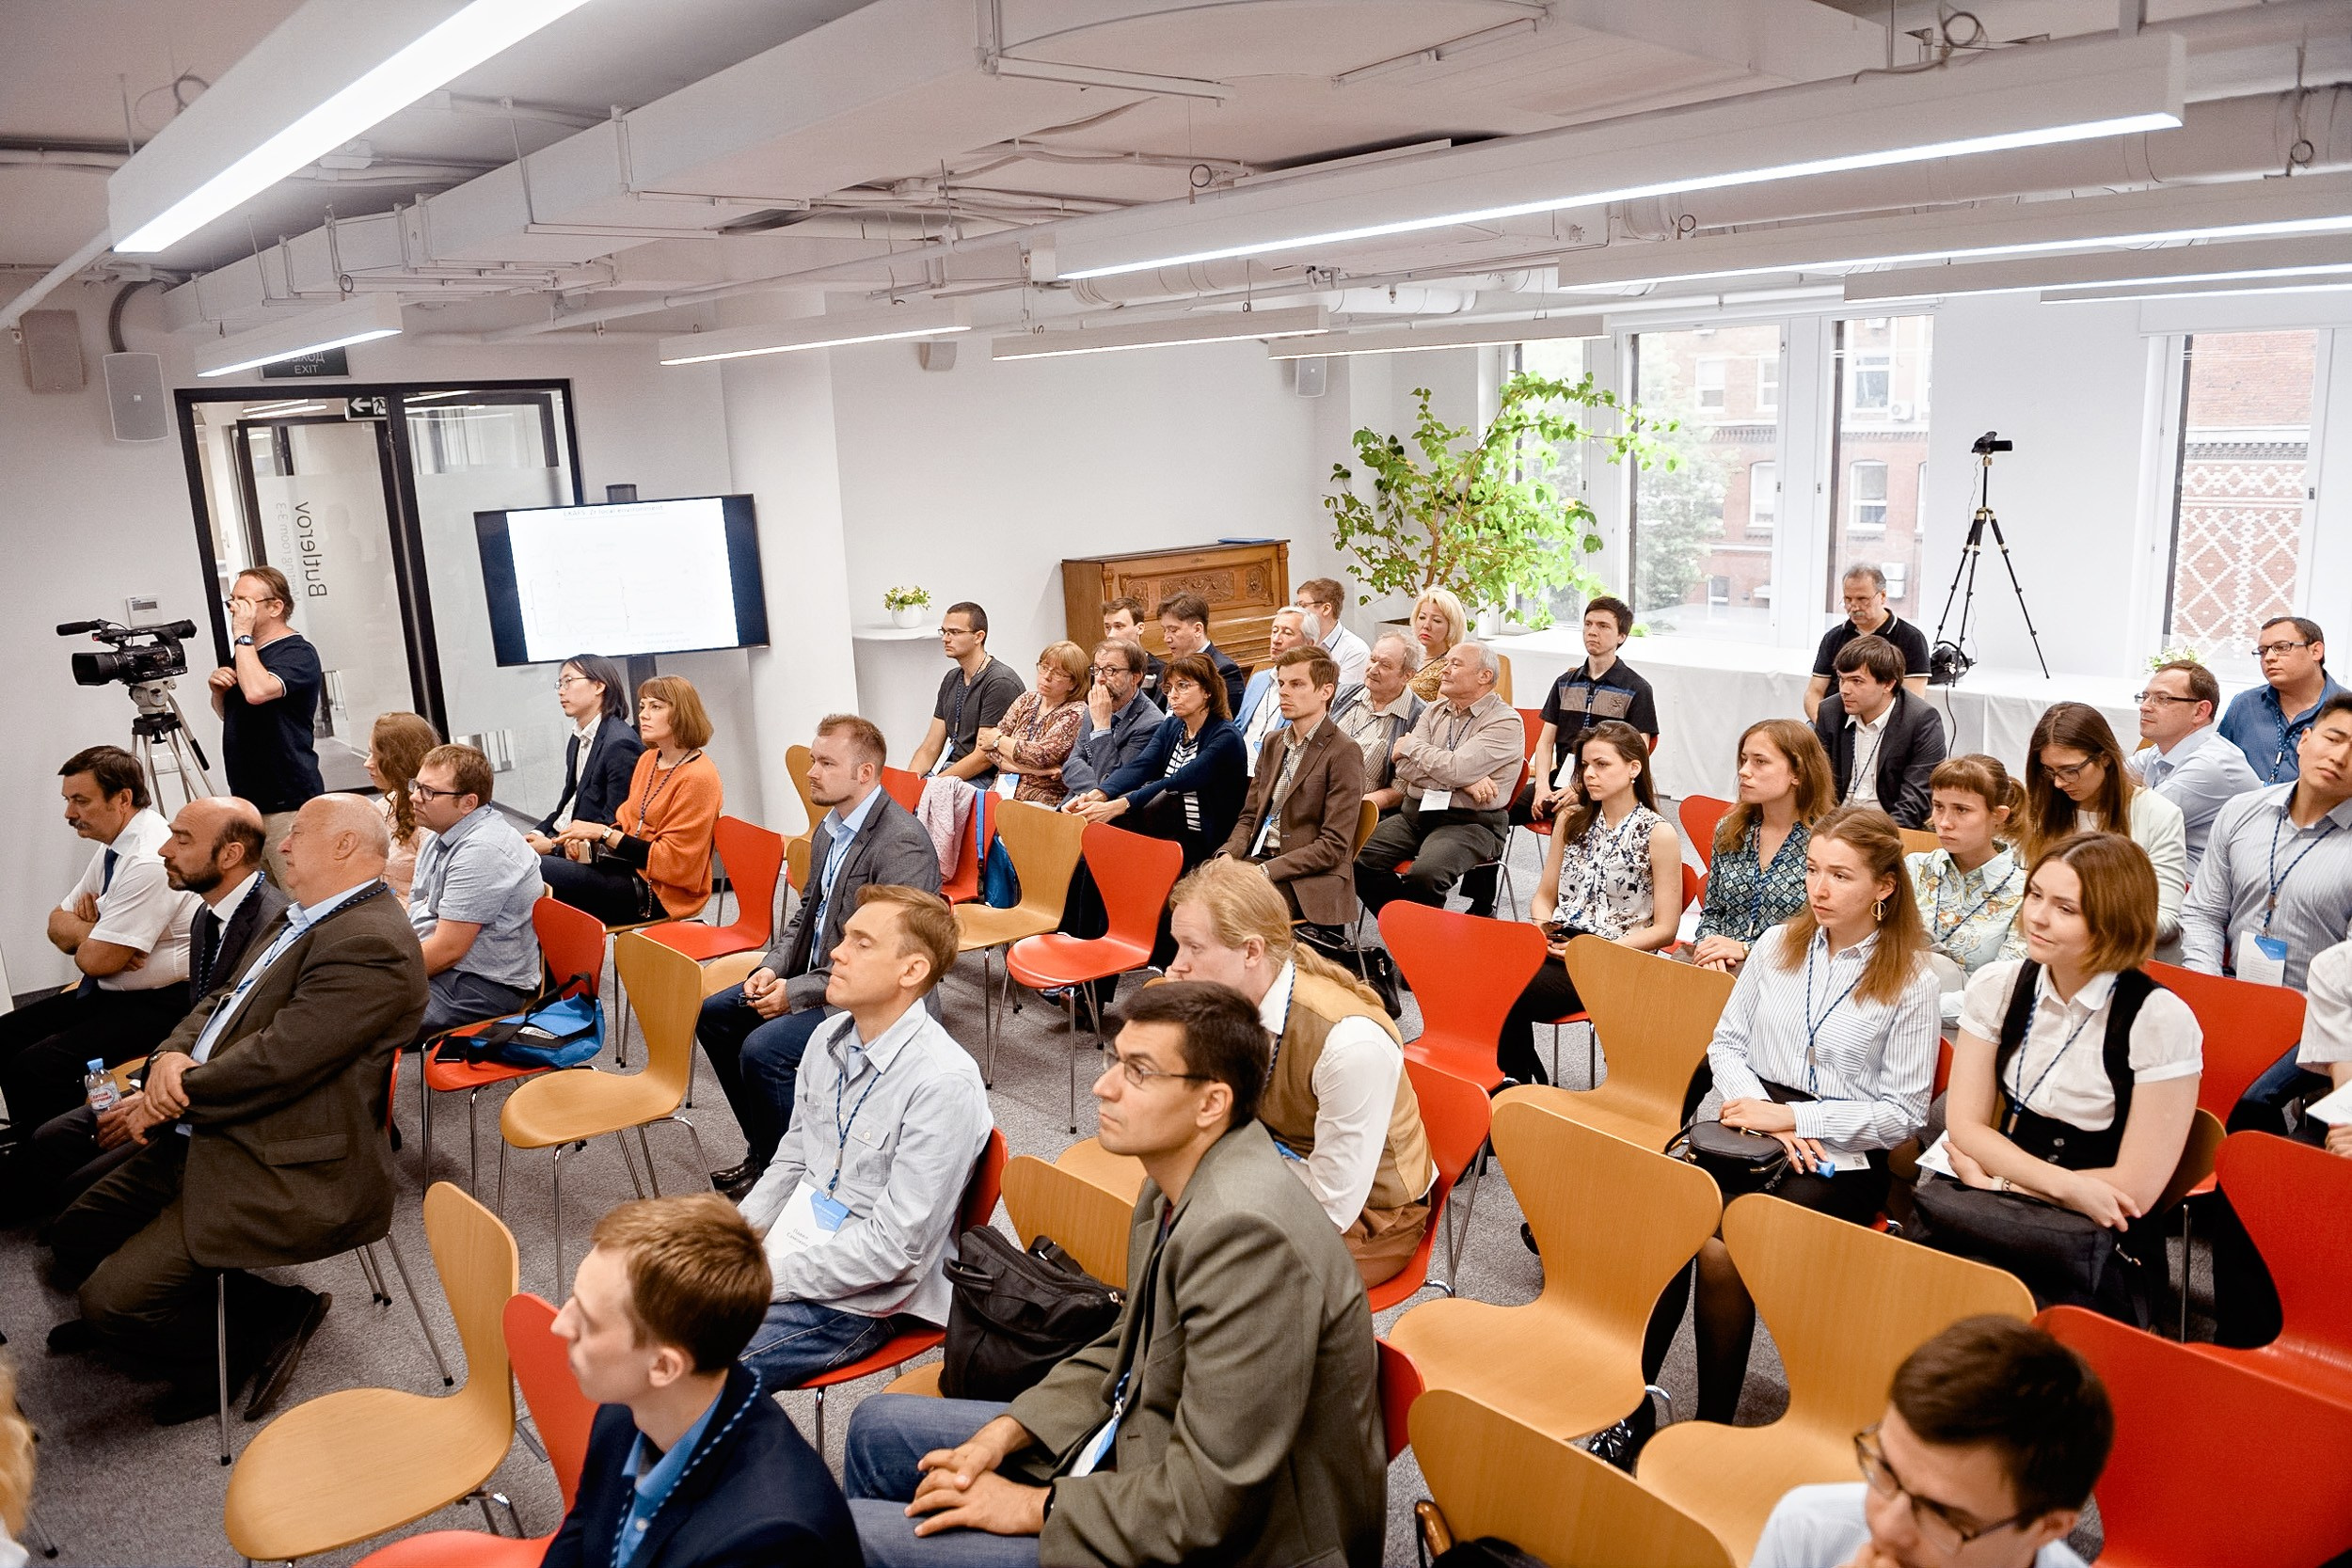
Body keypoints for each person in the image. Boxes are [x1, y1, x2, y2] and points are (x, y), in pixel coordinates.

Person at [840, 982, 1384, 1568]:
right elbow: (1131, 1350)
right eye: (1115, 1061)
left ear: (1211, 1104)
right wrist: (1011, 1429)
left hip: (1230, 1537)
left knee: (852, 1535)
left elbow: (1208, 1501)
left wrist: (1031, 1506)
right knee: (876, 1427)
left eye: (1139, 1072)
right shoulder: (1173, 1181)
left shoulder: (1250, 1239)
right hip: (1143, 1443)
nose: (1104, 1086)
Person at [48, 794, 426, 1426]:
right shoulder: (306, 914)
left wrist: (168, 1098)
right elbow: (220, 998)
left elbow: (279, 1061)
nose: (283, 844)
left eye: (298, 833)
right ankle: (257, 1306)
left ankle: (235, 1349)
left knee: (108, 1303)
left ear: (343, 846)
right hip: (218, 1119)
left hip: (284, 1155)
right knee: (73, 1234)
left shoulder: (372, 943)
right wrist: (167, 1061)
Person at [1647, 807, 1937, 1439]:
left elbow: (1903, 1113)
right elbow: (1726, 1045)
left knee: (1722, 1245)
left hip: (1843, 1150)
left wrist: (1795, 1117)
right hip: (1752, 1120)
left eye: (1841, 875)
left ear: (1885, 886)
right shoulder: (1779, 943)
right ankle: (1634, 1402)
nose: (1819, 888)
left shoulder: (1911, 978)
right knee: (1671, 1208)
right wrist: (1769, 1119)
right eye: (1812, 869)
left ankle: (1711, 1428)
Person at [1912, 833, 2201, 1322]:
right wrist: (2028, 1187)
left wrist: (1996, 1180)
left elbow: (2130, 1192)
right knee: (1909, 1290)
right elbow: (1965, 1127)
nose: (2037, 917)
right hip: (1995, 1206)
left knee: (1990, 1320)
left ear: (2113, 921)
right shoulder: (1999, 986)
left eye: (2065, 908)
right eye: (2035, 895)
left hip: (2096, 1242)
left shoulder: (2159, 1020)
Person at [737, 886, 991, 1386]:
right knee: (650, 1307)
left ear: (911, 971)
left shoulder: (942, 1083)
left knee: (680, 1367)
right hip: (802, 1250)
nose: (836, 951)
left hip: (867, 1295)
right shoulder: (826, 1038)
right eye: (845, 937)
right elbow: (793, 1160)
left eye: (862, 942)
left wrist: (765, 1279)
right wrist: (730, 1241)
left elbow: (894, 1250)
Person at [544, 1195, 863, 1568]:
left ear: (664, 1367)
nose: (559, 1325)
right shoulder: (629, 1404)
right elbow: (585, 1527)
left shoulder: (770, 1541)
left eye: (588, 1320)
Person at [700, 715, 939, 1199]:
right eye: (814, 760)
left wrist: (797, 992)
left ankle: (794, 1183)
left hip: (873, 998)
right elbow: (806, 914)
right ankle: (769, 1157)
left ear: (864, 773)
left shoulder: (901, 842)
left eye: (826, 763)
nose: (811, 772)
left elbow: (887, 957)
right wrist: (771, 967)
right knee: (716, 1016)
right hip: (825, 977)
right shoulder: (831, 829)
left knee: (763, 1051)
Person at [1164, 859, 1434, 1285]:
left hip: (1372, 1216)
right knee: (1152, 1215)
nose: (1176, 966)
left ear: (1251, 952)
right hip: (1275, 1166)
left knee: (1211, 1274)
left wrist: (1229, 1169)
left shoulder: (1350, 1044)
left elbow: (1332, 1209)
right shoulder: (1228, 998)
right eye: (1177, 945)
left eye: (1193, 948)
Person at [29, 798, 287, 1214]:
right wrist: (148, 1084)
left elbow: (245, 1051)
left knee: (72, 1204)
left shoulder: (270, 929)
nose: (164, 850)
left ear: (229, 855)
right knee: (52, 1142)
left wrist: (155, 1100)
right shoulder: (209, 915)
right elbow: (202, 1021)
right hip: (179, 1074)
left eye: (181, 840)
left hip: (211, 1100)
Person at [1750, 1316, 2111, 1568]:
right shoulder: (1807, 1527)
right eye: (1886, 1470)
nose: (1888, 1529)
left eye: (1942, 1515)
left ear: (2049, 1527)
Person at [1, 747, 197, 1140]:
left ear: (122, 798)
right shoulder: (116, 842)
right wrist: (91, 933)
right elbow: (57, 923)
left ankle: (65, 1153)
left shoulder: (146, 858)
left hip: (163, 1002)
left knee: (38, 1066)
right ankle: (32, 1144)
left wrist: (95, 936)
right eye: (68, 800)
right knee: (6, 1035)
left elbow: (97, 962)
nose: (69, 813)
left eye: (81, 801)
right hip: (113, 991)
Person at [1496, 721, 1684, 1085]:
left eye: (1602, 764)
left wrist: (1595, 950)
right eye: (1584, 765)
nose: (1589, 774)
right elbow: (1545, 896)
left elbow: (1665, 929)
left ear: (1634, 768)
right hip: (1561, 941)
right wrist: (1543, 928)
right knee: (1484, 971)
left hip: (1617, 955)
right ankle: (1515, 1081)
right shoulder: (1571, 819)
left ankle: (1514, 1083)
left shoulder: (1657, 833)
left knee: (1507, 989)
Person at [1354, 640, 1521, 915]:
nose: (1444, 670)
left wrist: (1411, 746)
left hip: (1468, 822)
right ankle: (1409, 928)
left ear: (1484, 676)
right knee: (1356, 858)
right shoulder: (1434, 710)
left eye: (1455, 664)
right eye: (1446, 662)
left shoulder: (1505, 722)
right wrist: (1465, 781)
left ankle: (1417, 934)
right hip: (1415, 814)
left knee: (1425, 875)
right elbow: (1403, 768)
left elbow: (1455, 768)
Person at [542, 676, 723, 927]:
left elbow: (673, 864)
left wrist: (603, 833)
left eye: (656, 707)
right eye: (642, 706)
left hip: (657, 892)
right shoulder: (649, 759)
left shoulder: (698, 777)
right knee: (534, 880)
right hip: (624, 868)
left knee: (536, 870)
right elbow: (627, 824)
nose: (644, 715)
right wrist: (586, 840)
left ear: (682, 714)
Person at [1220, 645, 1365, 934]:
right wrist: (1228, 854)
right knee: (1191, 893)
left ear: (1325, 691)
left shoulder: (1344, 751)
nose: (1284, 692)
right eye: (1282, 683)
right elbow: (1249, 817)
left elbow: (1333, 846)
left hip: (1310, 878)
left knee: (1231, 910)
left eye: (1297, 684)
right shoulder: (1274, 742)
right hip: (1261, 860)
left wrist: (1264, 872)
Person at [406, 743, 545, 1037]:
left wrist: (379, 978)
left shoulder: (483, 850)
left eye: (428, 791)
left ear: (468, 803)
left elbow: (447, 951)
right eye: (416, 786)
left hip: (480, 986)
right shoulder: (439, 835)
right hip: (448, 971)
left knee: (357, 1018)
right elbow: (418, 911)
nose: (414, 797)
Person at [2017, 704, 2187, 942]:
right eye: (2049, 771)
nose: (2058, 783)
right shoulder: (2042, 808)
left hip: (2113, 953)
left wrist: (2083, 921)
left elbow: (2166, 919)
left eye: (2070, 770)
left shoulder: (2157, 814)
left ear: (2105, 758)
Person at [1068, 654, 1248, 871]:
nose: (1173, 695)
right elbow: (1141, 767)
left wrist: (1118, 806)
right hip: (1168, 831)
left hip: (1205, 841)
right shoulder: (1172, 726)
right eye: (1169, 688)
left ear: (1207, 691)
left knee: (1113, 844)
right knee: (1096, 851)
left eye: (1183, 686)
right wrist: (1097, 794)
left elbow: (1178, 781)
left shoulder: (1226, 736)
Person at [1689, 719, 1836, 974]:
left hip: (1788, 972)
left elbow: (1827, 933)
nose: (1744, 771)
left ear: (1798, 773)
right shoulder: (1731, 829)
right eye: (1744, 760)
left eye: (1760, 761)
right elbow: (1712, 911)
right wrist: (1708, 949)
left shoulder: (1826, 841)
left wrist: (1748, 948)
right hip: (1722, 968)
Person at [208, 565, 326, 870]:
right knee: (264, 896)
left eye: (245, 602)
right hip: (249, 803)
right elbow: (233, 716)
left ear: (275, 607)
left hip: (287, 801)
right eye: (233, 600)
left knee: (297, 890)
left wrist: (242, 636)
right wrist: (219, 693)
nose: (235, 609)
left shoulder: (298, 653)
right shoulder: (245, 653)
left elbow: (258, 692)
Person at [1908, 755, 2028, 1024]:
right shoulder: (1914, 868)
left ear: (1998, 816)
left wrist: (1912, 1007)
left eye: (1961, 810)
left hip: (1972, 1030)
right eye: (1938, 806)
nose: (1944, 822)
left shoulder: (2024, 894)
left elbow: (2003, 990)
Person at [1522, 594, 1660, 824]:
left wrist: (1582, 790)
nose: (1592, 632)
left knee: (1566, 819)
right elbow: (1545, 743)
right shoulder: (1564, 683)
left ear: (1622, 636)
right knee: (1495, 810)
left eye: (1603, 626)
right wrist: (1541, 786)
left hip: (1606, 788)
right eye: (1588, 624)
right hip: (1560, 779)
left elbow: (1638, 753)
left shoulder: (1637, 688)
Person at [2125, 658, 2258, 879]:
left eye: (2162, 699)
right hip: (2166, 872)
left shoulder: (2211, 763)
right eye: (2145, 696)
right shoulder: (2158, 752)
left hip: (2205, 887)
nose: (2145, 706)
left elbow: (2136, 825)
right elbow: (2104, 781)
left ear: (2200, 711)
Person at [1813, 635, 1947, 829]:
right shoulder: (1830, 711)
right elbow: (1818, 782)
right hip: (1835, 824)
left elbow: (1915, 800)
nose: (1845, 690)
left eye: (1857, 681)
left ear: (1888, 684)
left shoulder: (1921, 720)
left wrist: (1883, 837)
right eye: (1842, 679)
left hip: (1889, 827)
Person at [528, 654, 645, 856]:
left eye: (569, 681)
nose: (561, 691)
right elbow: (569, 803)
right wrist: (538, 832)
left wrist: (553, 846)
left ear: (599, 686)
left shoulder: (620, 743)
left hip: (589, 852)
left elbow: (615, 823)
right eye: (560, 684)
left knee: (524, 867)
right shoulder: (577, 737)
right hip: (562, 836)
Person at [2218, 614, 2346, 784]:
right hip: (2248, 802)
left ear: (2315, 651)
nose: (2269, 658)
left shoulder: (2346, 712)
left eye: (2281, 647)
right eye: (2262, 651)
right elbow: (2217, 768)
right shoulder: (2245, 705)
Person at [911, 602, 1027, 784]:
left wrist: (933, 785)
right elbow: (930, 747)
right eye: (944, 632)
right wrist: (910, 782)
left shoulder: (1000, 682)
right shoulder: (951, 678)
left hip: (986, 778)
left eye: (954, 632)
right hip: (951, 772)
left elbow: (983, 758)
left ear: (978, 637)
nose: (945, 639)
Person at [1805, 564, 1931, 722]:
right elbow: (1814, 692)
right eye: (1848, 599)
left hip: (1884, 726)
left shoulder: (1911, 638)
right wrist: (1823, 724)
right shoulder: (1833, 637)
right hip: (1834, 722)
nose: (1854, 607)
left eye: (1862, 599)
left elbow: (1913, 701)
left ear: (1882, 596)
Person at [972, 641, 1089, 806]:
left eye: (1058, 673)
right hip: (1001, 790)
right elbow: (988, 749)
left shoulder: (1077, 712)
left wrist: (998, 740)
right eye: (1044, 667)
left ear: (1073, 683)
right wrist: (1039, 771)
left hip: (1042, 800)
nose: (1046, 676)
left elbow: (1041, 755)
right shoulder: (1027, 699)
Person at [1057, 640, 1164, 800]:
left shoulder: (1151, 724)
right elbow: (1071, 766)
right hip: (1075, 803)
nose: (1099, 679)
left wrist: (1101, 728)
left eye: (1110, 670)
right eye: (1096, 669)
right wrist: (1098, 792)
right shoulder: (1094, 708)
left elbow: (1118, 784)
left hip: (1111, 813)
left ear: (1135, 677)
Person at [1333, 631, 1424, 816]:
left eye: (1385, 665)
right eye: (1372, 659)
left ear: (1407, 675)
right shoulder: (1342, 695)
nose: (1373, 669)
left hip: (1358, 810)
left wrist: (1350, 806)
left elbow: (1400, 790)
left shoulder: (1419, 718)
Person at [364, 710, 439, 900]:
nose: (367, 763)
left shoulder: (432, 818)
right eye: (369, 753)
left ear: (399, 760)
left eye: (375, 755)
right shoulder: (384, 805)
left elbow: (430, 897)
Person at [1232, 606, 1319, 768]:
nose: (1276, 639)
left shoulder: (1313, 689)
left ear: (1309, 644)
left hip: (1274, 770)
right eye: (1274, 631)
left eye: (1287, 633)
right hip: (1238, 768)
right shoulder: (1258, 679)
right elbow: (1238, 727)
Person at [1154, 592, 1248, 714]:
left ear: (1197, 629)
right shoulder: (1168, 670)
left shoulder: (1224, 670)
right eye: (1164, 630)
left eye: (1173, 630)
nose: (1166, 639)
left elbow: (1224, 719)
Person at [1296, 576, 1370, 689]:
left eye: (1303, 606)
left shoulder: (1356, 651)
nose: (1297, 612)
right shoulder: (1298, 641)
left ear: (1326, 609)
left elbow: (1342, 697)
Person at [1406, 586, 1469, 703]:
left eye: (1436, 620)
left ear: (1452, 627)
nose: (1426, 625)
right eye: (1422, 617)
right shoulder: (1405, 654)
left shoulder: (1451, 667)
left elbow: (1442, 712)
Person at [1099, 595, 1164, 694]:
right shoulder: (1099, 670)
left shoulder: (1160, 671)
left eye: (1119, 626)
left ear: (1140, 628)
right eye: (1108, 627)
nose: (1111, 635)